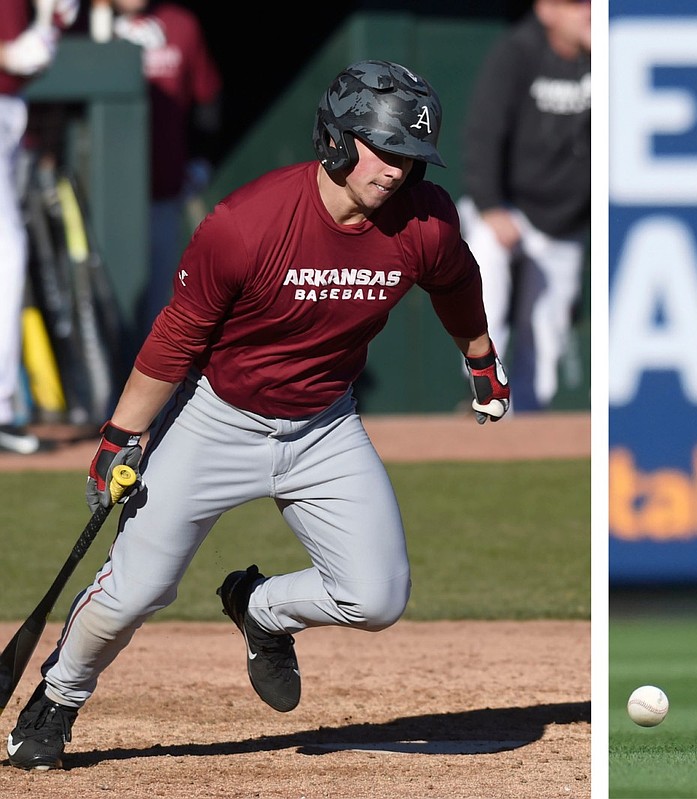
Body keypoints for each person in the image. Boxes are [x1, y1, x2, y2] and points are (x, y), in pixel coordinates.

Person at [3, 59, 510, 771]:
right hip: (217, 418)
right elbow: (176, 336)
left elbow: (457, 282)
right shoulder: (245, 225)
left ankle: (259, 608)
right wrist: (120, 435)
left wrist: (480, 358)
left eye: (413, 157)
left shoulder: (424, 221)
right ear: (335, 139)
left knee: (377, 596)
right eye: (386, 150)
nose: (400, 171)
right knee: (137, 589)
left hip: (325, 424)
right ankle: (57, 696)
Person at [457, 0, 590, 412]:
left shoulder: (611, 58)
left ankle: (530, 424)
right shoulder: (517, 52)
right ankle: (484, 386)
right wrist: (490, 205)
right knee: (485, 280)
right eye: (575, 5)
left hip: (565, 220)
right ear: (546, 10)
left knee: (546, 332)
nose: (587, 12)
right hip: (507, 206)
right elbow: (483, 132)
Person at [105, 0, 222, 343]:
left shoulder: (180, 23)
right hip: (97, 198)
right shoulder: (82, 22)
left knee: (158, 312)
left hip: (163, 190)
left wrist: (202, 159)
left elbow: (207, 98)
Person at [0, 0, 78, 454]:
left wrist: (49, 24)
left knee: (9, 254)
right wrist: (8, 55)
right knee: (7, 255)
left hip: (11, 105)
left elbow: (57, 21)